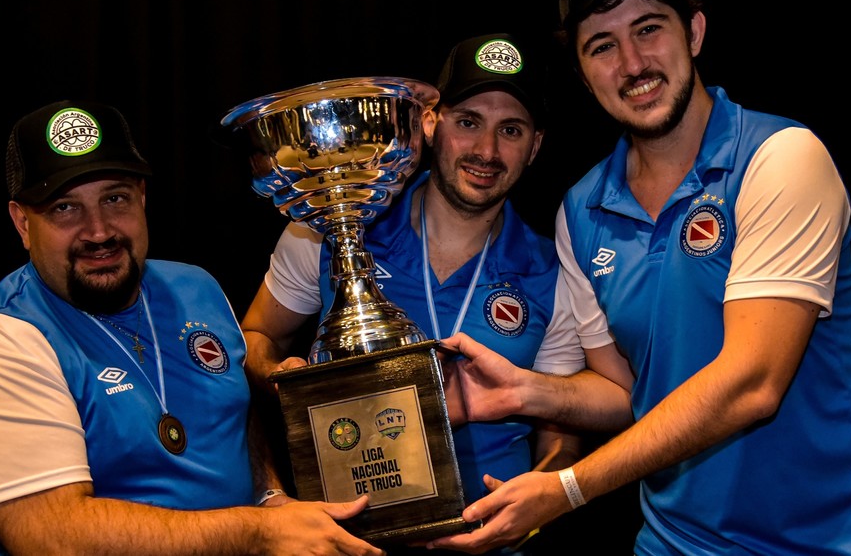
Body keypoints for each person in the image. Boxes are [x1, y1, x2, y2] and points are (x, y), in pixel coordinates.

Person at [426, 0, 851, 554]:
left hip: (838, 538)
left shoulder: (780, 157)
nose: (632, 65)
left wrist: (570, 486)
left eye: (649, 29)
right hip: (678, 539)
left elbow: (752, 383)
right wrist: (525, 392)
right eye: (602, 47)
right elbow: (624, 393)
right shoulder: (581, 212)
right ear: (584, 73)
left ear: (694, 31)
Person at [0, 100, 383, 555]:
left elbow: (234, 413)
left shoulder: (195, 287)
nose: (99, 230)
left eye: (115, 198)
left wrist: (270, 497)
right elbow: (55, 538)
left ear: (142, 198)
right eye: (65, 208)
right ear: (23, 223)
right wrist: (262, 531)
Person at [240, 34, 631, 554]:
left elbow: (559, 427)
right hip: (348, 541)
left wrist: (540, 494)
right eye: (468, 122)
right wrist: (277, 379)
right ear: (429, 123)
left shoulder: (554, 270)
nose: (487, 152)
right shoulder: (329, 230)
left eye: (510, 130)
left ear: (535, 146)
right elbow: (257, 333)